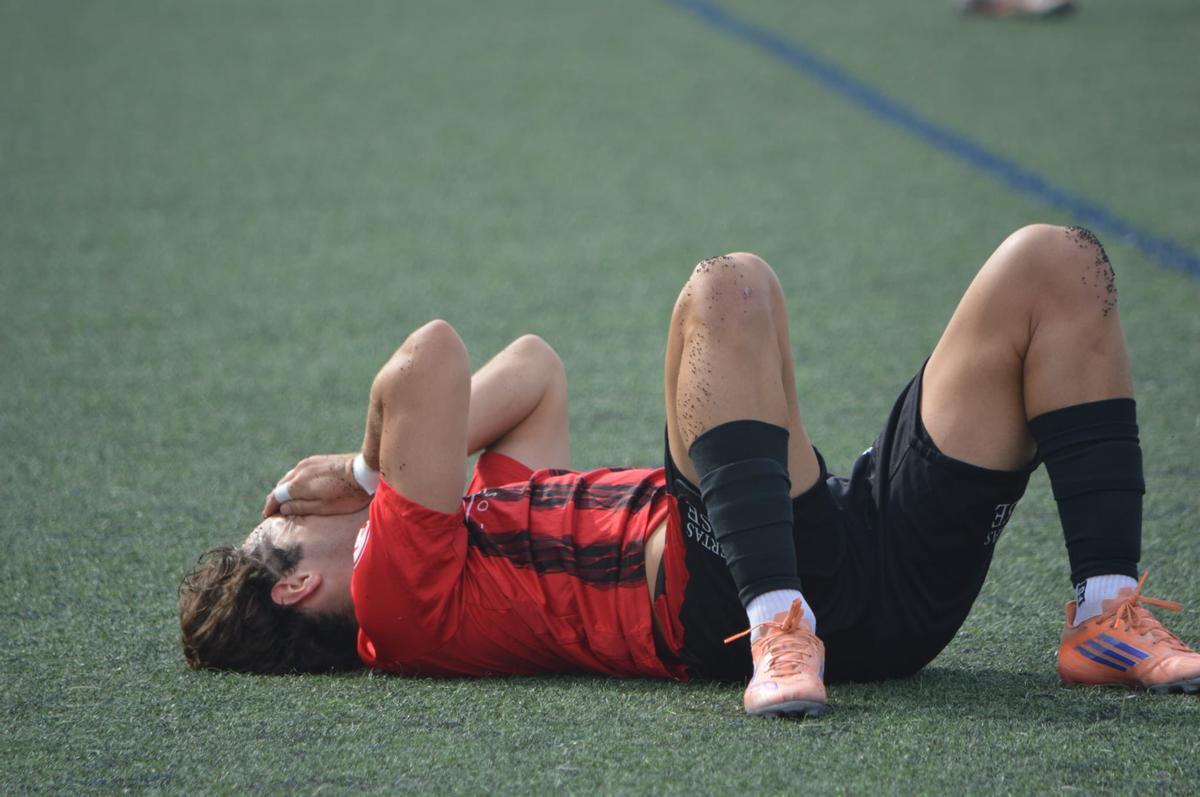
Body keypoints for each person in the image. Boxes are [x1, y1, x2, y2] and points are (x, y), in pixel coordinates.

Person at [180, 224, 1200, 717]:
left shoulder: (459, 536)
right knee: (727, 289)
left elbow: (533, 368)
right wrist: (360, 468)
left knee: (1054, 264)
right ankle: (777, 623)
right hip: (723, 602)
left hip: (859, 567)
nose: (304, 501)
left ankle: (1105, 611)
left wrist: (395, 469)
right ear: (298, 577)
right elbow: (429, 360)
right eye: (283, 518)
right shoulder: (392, 602)